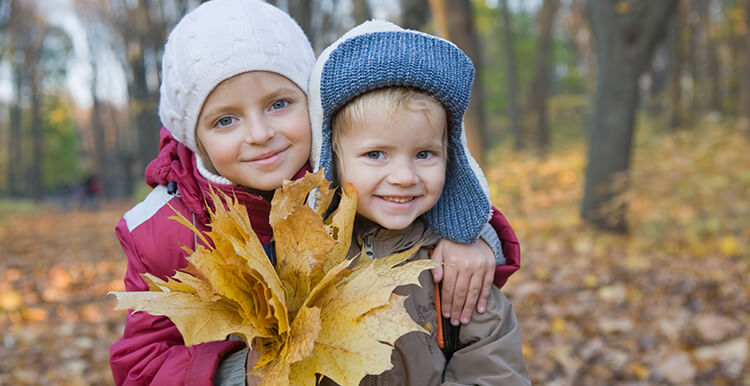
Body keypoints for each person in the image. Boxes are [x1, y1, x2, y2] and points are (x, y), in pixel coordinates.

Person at [110, 1, 520, 385]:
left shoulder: (347, 180)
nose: (260, 134)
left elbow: (426, 179)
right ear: (193, 136)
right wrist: (240, 373)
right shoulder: (166, 231)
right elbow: (141, 367)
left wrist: (469, 236)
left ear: (314, 107)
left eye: (279, 104)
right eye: (225, 120)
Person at [308, 20, 530, 385]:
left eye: (424, 154)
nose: (404, 176)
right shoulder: (305, 262)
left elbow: (495, 368)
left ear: (451, 158)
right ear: (332, 160)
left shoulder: (454, 268)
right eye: (376, 154)